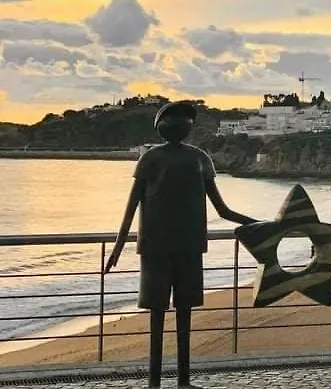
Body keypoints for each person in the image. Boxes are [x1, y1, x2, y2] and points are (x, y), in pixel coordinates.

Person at [104, 101, 257, 389]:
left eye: (184, 119)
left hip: (186, 247)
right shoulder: (153, 158)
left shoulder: (197, 158)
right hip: (158, 248)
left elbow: (222, 209)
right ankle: (156, 381)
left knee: (182, 313)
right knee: (159, 314)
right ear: (161, 126)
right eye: (174, 118)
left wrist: (258, 223)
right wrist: (117, 247)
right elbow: (132, 206)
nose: (180, 123)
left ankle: (181, 381)